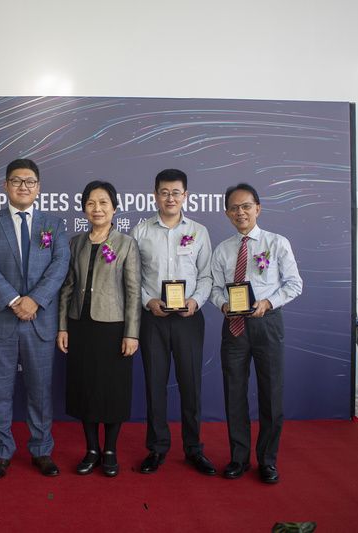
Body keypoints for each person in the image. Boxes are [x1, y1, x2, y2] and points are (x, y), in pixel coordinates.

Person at [0, 158, 69, 479]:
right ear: (5, 186)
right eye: (16, 181)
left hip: (39, 321)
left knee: (40, 391)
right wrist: (15, 300)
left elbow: (60, 265)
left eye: (29, 182)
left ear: (38, 187)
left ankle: (41, 450)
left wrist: (35, 300)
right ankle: (1, 452)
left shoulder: (54, 224)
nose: (23, 187)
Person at [210, 183, 303, 484]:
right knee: (234, 393)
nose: (241, 212)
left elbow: (294, 284)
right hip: (234, 326)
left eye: (246, 206)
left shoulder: (277, 243)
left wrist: (268, 302)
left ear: (258, 209)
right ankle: (238, 458)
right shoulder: (223, 249)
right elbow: (214, 288)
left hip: (267, 324)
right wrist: (223, 304)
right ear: (227, 213)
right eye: (234, 208)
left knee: (271, 393)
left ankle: (267, 460)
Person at [130, 168, 216, 476]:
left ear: (185, 196)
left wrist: (196, 301)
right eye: (164, 192)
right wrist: (148, 301)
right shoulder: (141, 232)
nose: (170, 198)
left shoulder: (199, 231)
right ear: (155, 195)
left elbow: (206, 276)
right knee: (155, 385)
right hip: (153, 318)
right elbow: (133, 277)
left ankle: (194, 448)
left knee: (191, 385)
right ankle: (157, 448)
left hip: (188, 319)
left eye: (176, 193)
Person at [57, 181, 141, 477]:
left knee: (112, 390)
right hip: (81, 326)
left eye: (104, 202)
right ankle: (92, 449)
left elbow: (133, 292)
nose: (97, 208)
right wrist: (62, 326)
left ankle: (110, 450)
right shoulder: (75, 243)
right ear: (84, 209)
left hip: (113, 328)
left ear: (114, 208)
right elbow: (67, 287)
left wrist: (131, 333)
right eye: (91, 203)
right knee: (86, 389)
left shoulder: (126, 243)